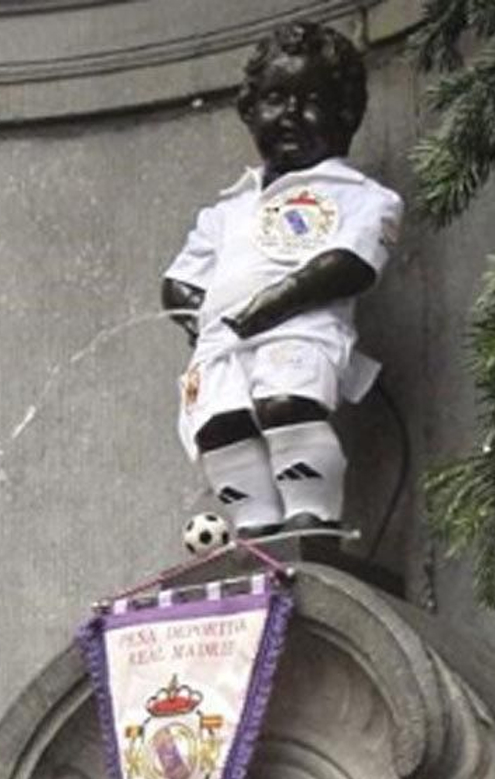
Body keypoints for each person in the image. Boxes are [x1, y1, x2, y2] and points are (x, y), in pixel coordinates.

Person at [161, 21, 403, 537]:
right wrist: (202, 318)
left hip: (300, 333)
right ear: (249, 109)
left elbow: (350, 263)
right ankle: (254, 523)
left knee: (286, 405)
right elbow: (179, 280)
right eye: (275, 98)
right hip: (222, 346)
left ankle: (310, 514)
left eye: (312, 100)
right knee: (220, 427)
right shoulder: (228, 210)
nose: (291, 114)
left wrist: (275, 302)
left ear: (346, 114)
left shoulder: (361, 196)